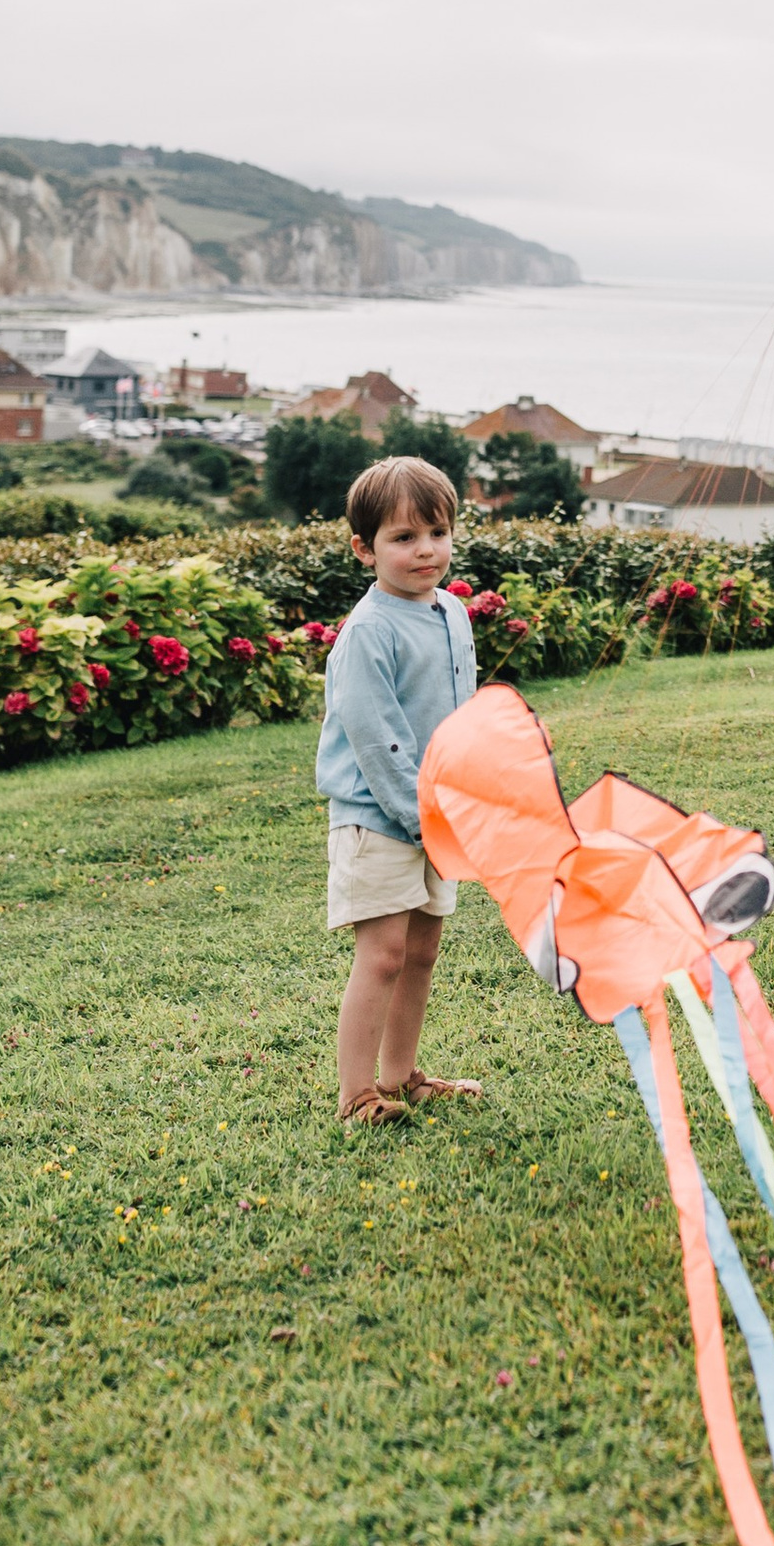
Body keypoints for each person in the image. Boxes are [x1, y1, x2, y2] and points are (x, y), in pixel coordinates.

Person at [320, 453, 487, 1123]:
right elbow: (377, 736)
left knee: (421, 950)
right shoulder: (369, 631)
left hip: (437, 816)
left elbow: (458, 715)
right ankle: (356, 1093)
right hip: (379, 817)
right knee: (384, 954)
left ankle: (402, 1074)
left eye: (438, 533)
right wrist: (421, 816)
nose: (427, 551)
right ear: (364, 548)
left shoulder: (452, 614)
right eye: (403, 537)